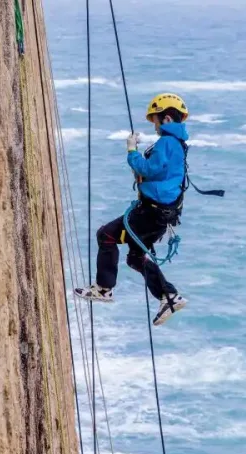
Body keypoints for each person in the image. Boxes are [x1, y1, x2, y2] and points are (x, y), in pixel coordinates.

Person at [75, 93, 191, 326]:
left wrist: (131, 152)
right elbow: (160, 174)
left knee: (106, 235)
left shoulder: (167, 142)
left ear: (167, 119)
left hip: (150, 214)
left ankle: (104, 288)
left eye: (155, 120)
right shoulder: (178, 144)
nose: (155, 126)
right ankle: (168, 296)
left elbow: (149, 169)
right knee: (136, 258)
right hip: (161, 215)